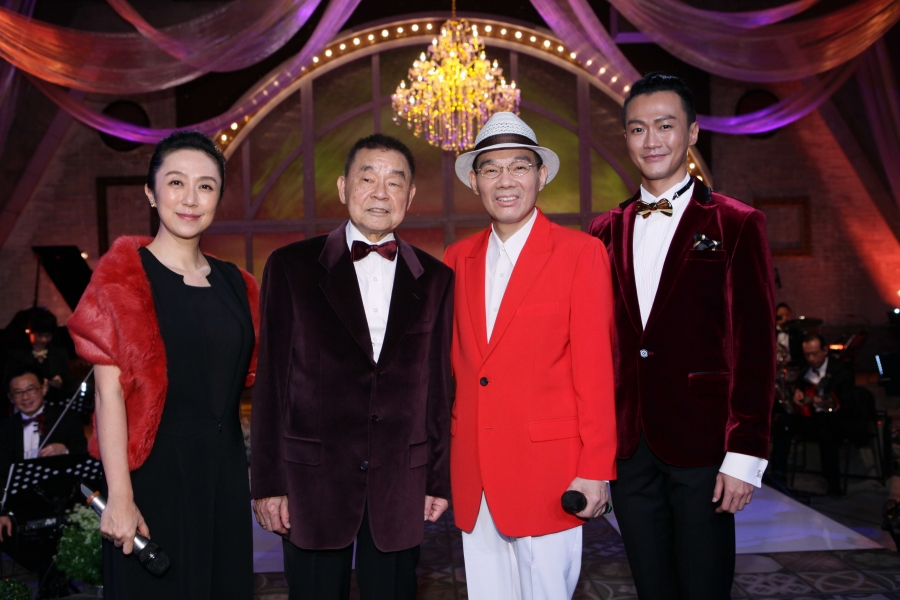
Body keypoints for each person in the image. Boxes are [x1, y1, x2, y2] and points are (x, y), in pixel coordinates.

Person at [590, 73, 775, 598]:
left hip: (705, 444)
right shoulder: (602, 231)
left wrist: (745, 456)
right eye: (637, 129)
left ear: (692, 133)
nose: (651, 140)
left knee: (704, 587)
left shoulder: (737, 223)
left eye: (665, 126)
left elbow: (756, 348)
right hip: (629, 448)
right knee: (651, 587)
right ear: (625, 138)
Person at [250, 134, 453, 600]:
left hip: (400, 483)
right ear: (343, 187)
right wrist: (268, 484)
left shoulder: (437, 279)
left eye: (394, 182)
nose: (381, 192)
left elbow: (438, 391)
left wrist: (437, 480)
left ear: (410, 196)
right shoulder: (291, 267)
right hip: (312, 481)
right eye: (367, 178)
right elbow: (271, 386)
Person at [67, 131, 260, 599]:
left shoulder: (238, 284)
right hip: (152, 483)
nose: (190, 199)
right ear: (151, 193)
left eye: (206, 186)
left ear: (218, 197)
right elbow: (109, 395)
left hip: (226, 480)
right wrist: (120, 497)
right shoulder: (122, 279)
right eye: (176, 183)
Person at [444, 112, 617, 599]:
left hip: (549, 471)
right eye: (491, 169)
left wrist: (596, 469)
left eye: (519, 167)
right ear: (475, 182)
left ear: (541, 176)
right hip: (474, 469)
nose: (505, 181)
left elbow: (596, 371)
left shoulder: (580, 253)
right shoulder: (456, 259)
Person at [0, 367, 88, 543]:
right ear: (10, 397)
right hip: (18, 511)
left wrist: (65, 450)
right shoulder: (4, 429)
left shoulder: (67, 419)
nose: (25, 397)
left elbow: (86, 456)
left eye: (31, 389)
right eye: (18, 392)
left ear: (43, 389)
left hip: (62, 506)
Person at [770, 333, 857, 495]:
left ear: (825, 350)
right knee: (784, 423)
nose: (811, 358)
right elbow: (801, 386)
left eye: (815, 354)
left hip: (835, 420)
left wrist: (827, 402)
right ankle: (778, 473)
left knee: (827, 430)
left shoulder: (841, 369)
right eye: (807, 354)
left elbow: (847, 402)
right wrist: (798, 393)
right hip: (812, 417)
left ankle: (833, 482)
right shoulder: (805, 368)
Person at [4, 308, 74, 410]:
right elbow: (9, 380)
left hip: (54, 404)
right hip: (26, 404)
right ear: (30, 332)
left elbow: (70, 382)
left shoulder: (59, 352)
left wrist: (60, 383)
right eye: (39, 335)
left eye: (48, 336)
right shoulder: (18, 353)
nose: (43, 339)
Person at [776, 302, 806, 369]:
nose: (785, 318)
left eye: (787, 315)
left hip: (793, 367)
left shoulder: (797, 333)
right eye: (781, 315)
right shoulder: (771, 333)